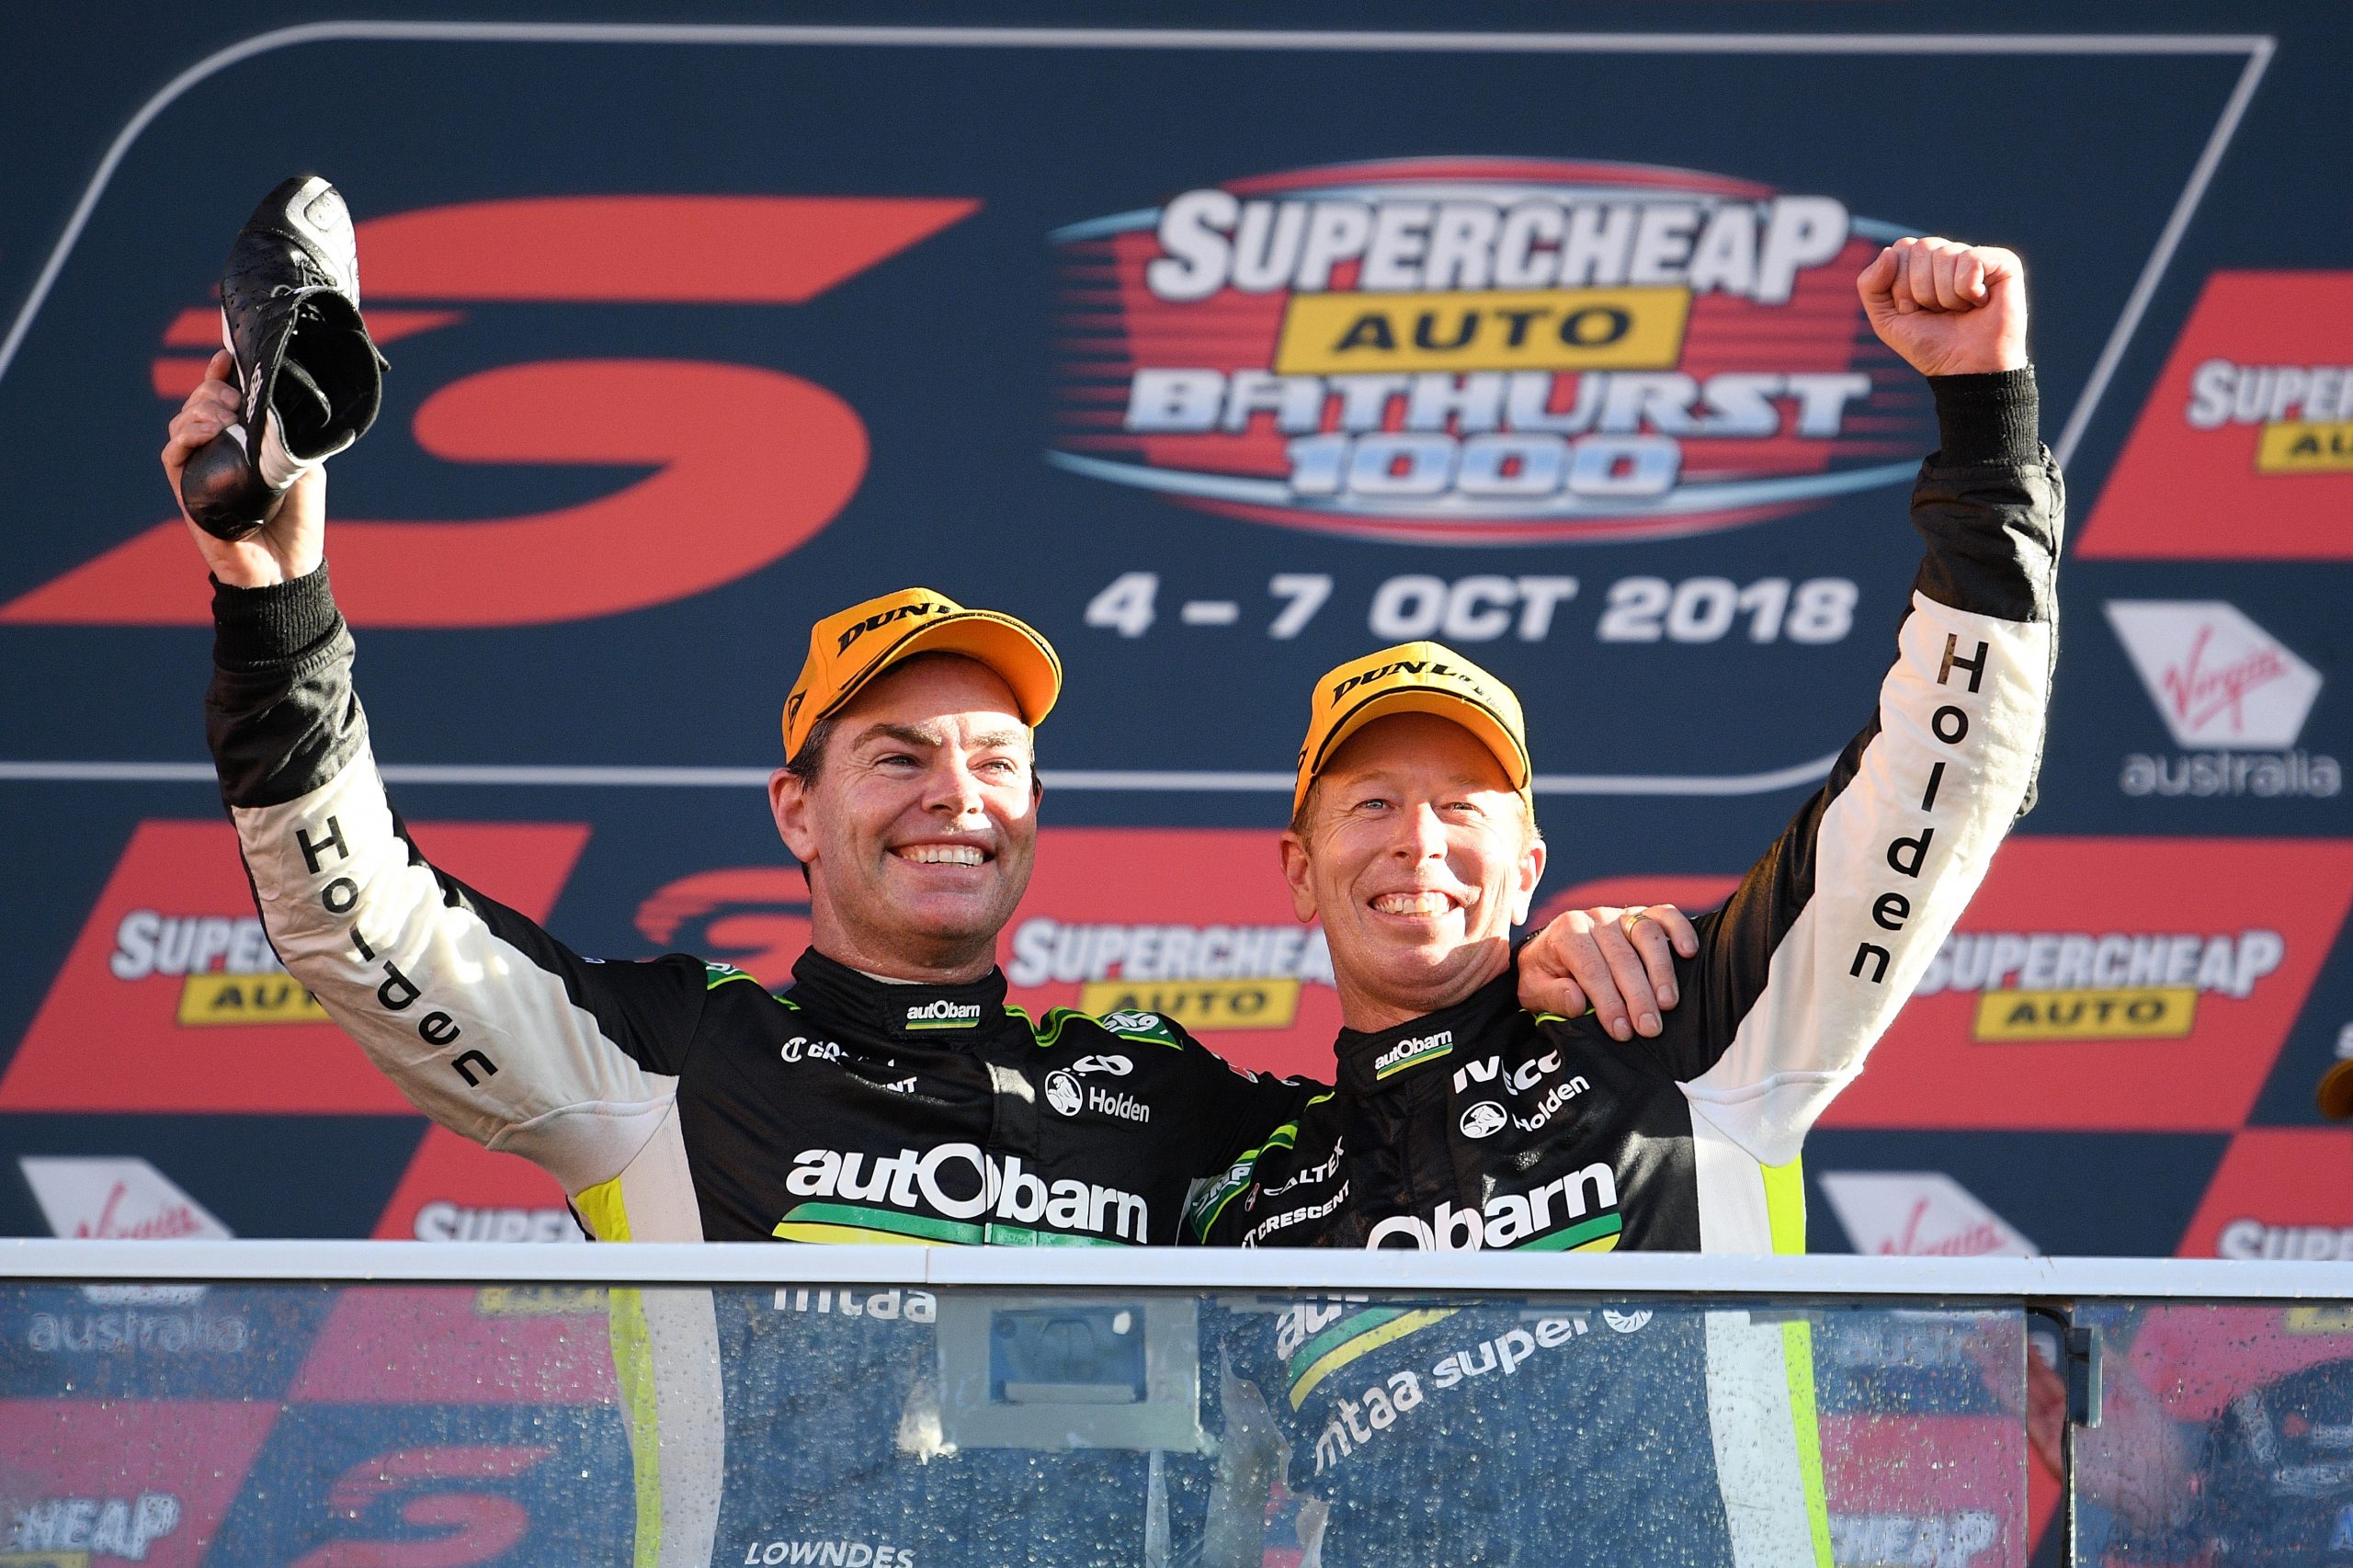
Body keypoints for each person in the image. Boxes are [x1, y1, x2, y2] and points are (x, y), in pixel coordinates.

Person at [161, 347, 1683, 1563]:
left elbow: (1405, 1140)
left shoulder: (1163, 1101)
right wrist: (274, 596)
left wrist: (1532, 968)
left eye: (993, 761)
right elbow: (362, 927)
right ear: (797, 813)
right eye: (896, 758)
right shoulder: (675, 1062)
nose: (955, 796)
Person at [1189, 236, 2061, 1566]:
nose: (1418, 840)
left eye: (1464, 807)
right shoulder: (1249, 1193)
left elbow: (1934, 792)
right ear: (1297, 866)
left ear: (1529, 862)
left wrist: (1984, 430)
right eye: (1370, 804)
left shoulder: (1673, 1022)